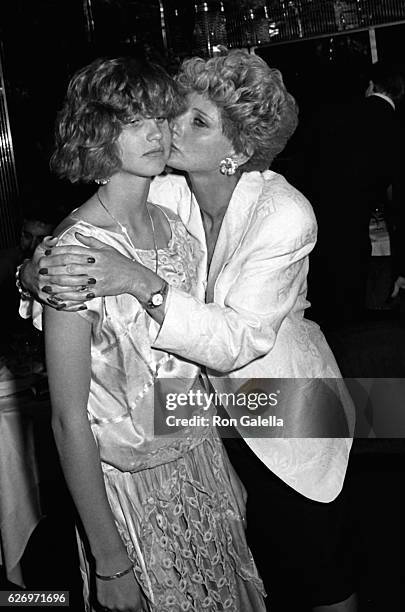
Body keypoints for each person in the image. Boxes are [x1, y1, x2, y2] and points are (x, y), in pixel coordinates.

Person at [20, 50, 355, 611]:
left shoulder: (284, 213)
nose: (168, 130)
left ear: (239, 151)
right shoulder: (167, 193)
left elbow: (234, 343)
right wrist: (34, 272)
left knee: (319, 566)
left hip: (282, 404)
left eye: (193, 121)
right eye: (169, 114)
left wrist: (138, 280)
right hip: (188, 420)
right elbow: (83, 237)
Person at [288, 60, 405, 328]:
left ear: (370, 86)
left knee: (321, 291)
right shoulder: (396, 128)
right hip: (353, 220)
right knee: (351, 279)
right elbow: (397, 200)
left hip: (313, 210)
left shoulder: (337, 112)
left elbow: (305, 158)